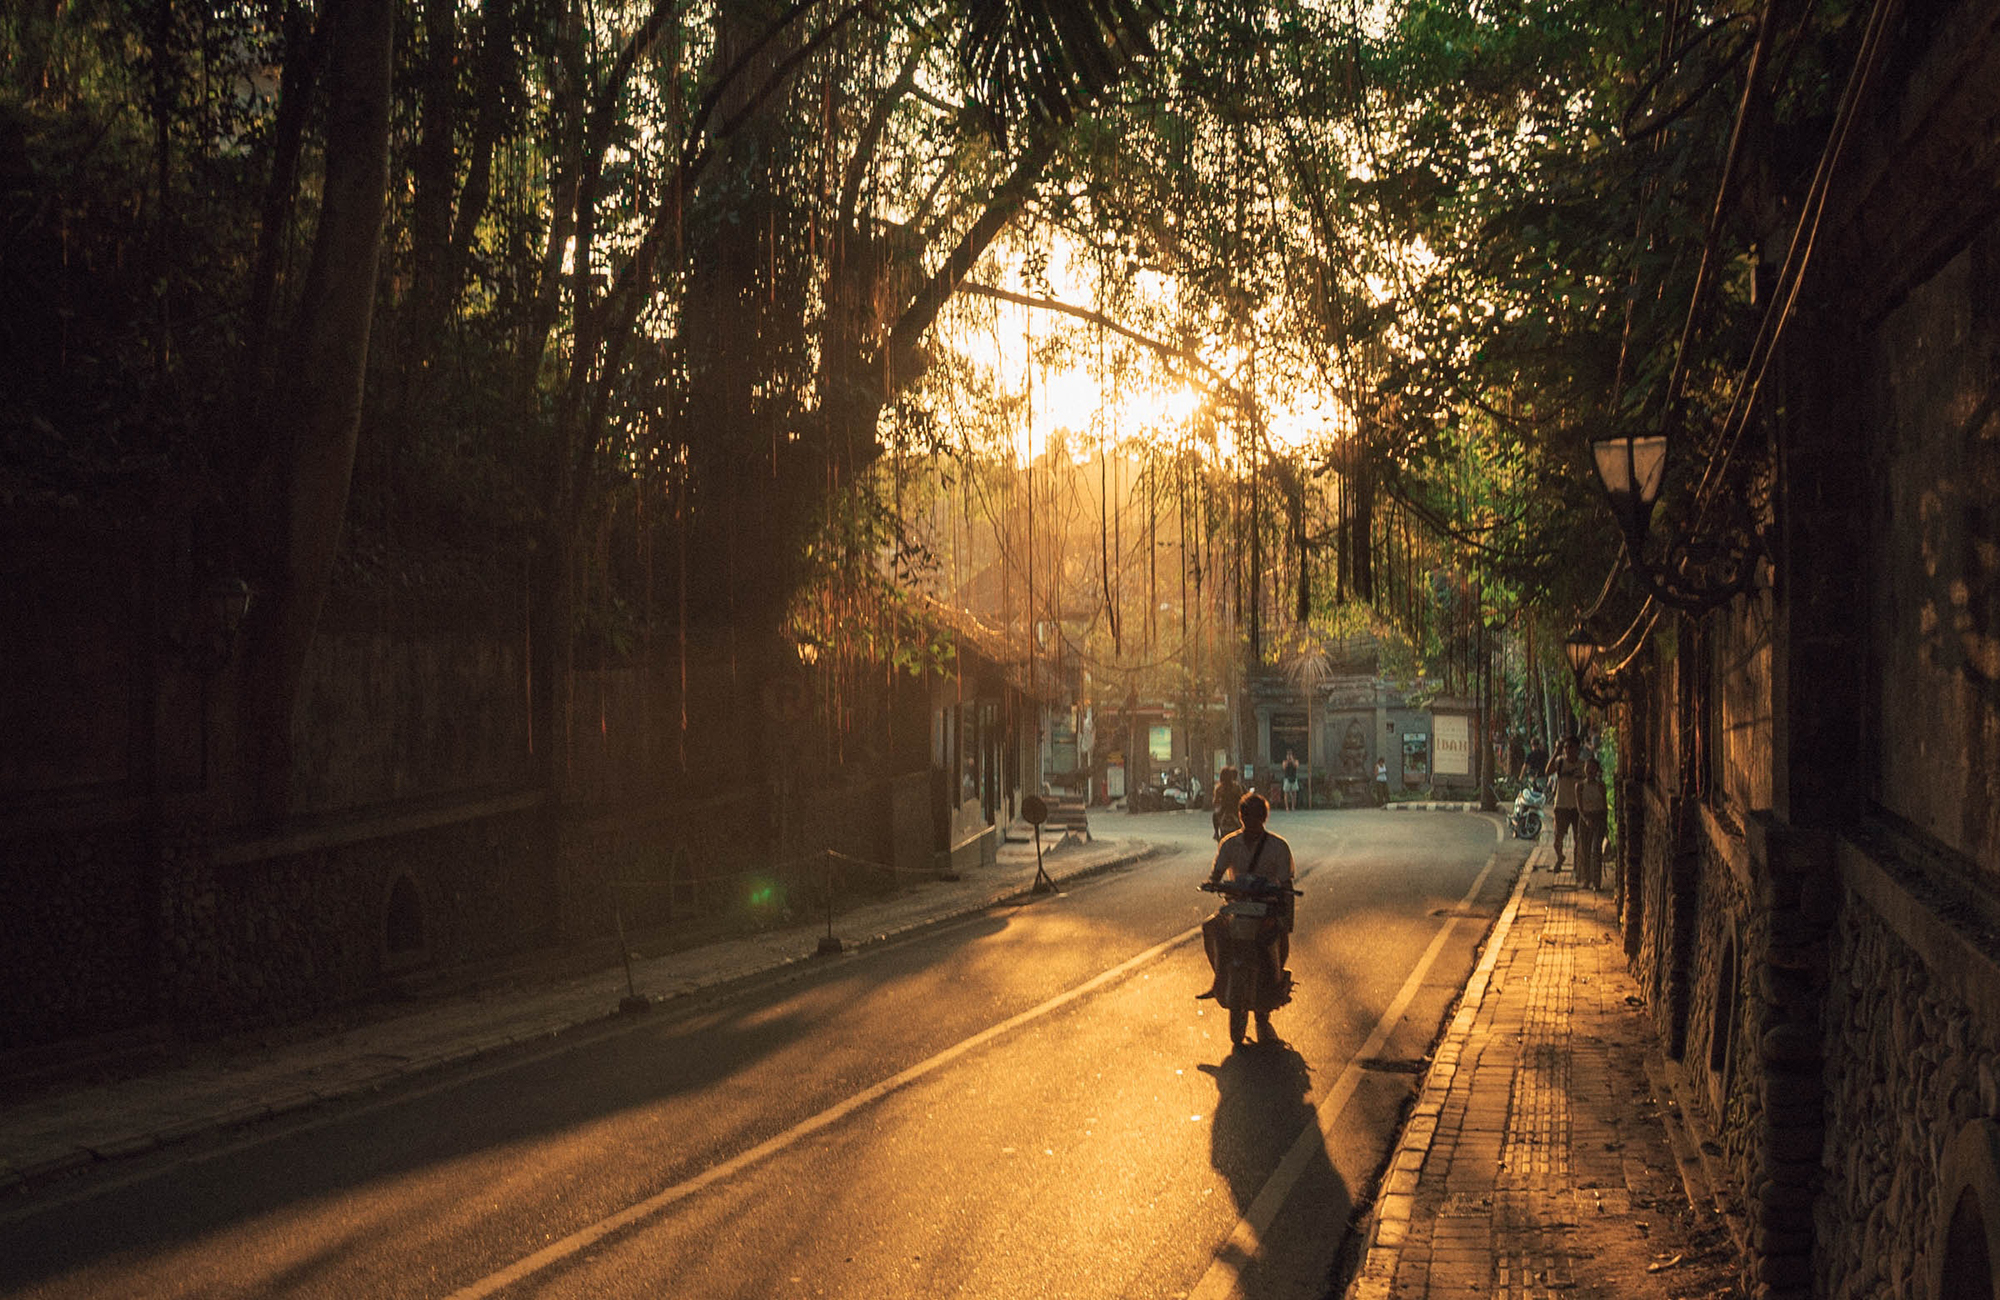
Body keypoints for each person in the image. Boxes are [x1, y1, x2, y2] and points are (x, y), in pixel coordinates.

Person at [1197, 793, 1295, 1042]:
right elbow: (1217, 874)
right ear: (1241, 817)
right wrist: (1212, 883)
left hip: (1266, 907)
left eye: (1255, 818)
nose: (1251, 823)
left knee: (1277, 935)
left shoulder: (1278, 846)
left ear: (1263, 818)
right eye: (1247, 817)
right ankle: (1219, 977)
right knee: (1211, 927)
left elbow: (1286, 882)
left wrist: (1283, 906)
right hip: (1238, 907)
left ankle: (1276, 978)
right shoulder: (1229, 844)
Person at [1545, 736, 1587, 869]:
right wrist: (1556, 752)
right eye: (1566, 747)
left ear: (1577, 749)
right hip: (1561, 805)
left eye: (1571, 747)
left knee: (1578, 838)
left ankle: (1577, 864)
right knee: (1558, 839)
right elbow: (1548, 771)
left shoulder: (1582, 765)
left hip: (1577, 807)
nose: (1568, 750)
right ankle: (1560, 856)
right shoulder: (1560, 762)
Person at [1578, 757, 1609, 889]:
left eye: (1592, 767)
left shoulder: (1601, 786)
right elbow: (1579, 807)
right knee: (1585, 851)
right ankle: (1587, 879)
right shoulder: (1579, 786)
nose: (1590, 770)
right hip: (1585, 819)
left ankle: (1597, 882)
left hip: (1599, 818)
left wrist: (1605, 823)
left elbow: (1604, 805)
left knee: (1596, 850)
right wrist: (1585, 819)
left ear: (1596, 770)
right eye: (1587, 767)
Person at [1211, 765, 1242, 841]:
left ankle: (1216, 833)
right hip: (1235, 810)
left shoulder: (1219, 788)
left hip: (1223, 810)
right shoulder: (1236, 786)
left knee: (1214, 815)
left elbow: (1215, 802)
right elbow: (1241, 798)